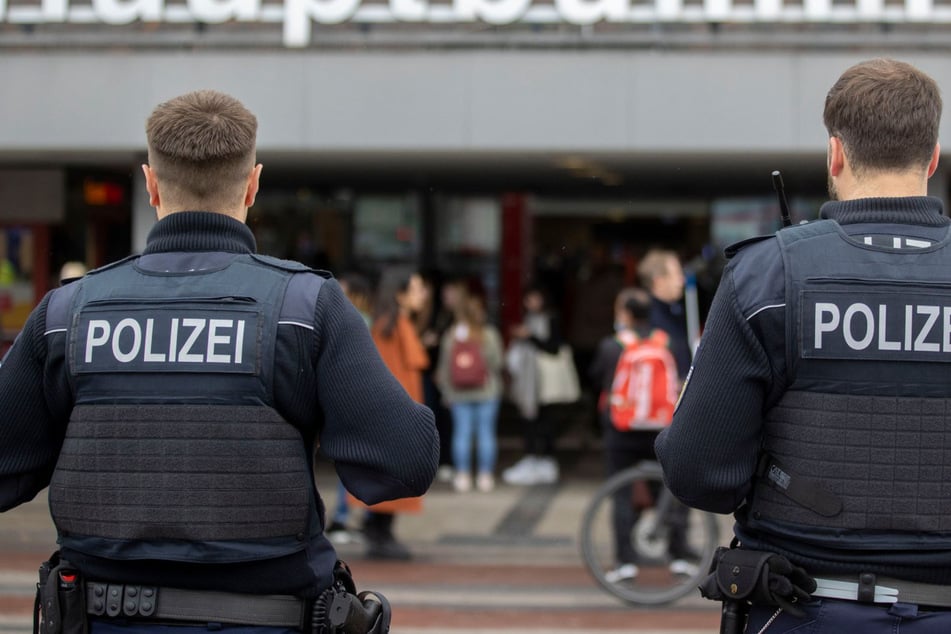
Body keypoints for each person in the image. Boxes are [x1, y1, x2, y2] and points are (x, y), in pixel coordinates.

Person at [0, 90, 439, 634]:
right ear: (253, 184)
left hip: (97, 618)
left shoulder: (67, 313)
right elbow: (405, 460)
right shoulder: (305, 308)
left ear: (151, 184)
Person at [656, 58, 951, 633]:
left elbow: (699, 471)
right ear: (933, 156)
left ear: (835, 154)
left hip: (806, 609)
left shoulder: (768, 275)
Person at [588, 287, 684, 583]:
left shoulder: (612, 345)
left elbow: (596, 380)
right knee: (667, 488)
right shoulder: (668, 342)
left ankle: (625, 561)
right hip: (661, 429)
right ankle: (678, 554)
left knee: (621, 493)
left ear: (626, 314)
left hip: (622, 430)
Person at [362, 268, 432, 560]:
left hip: (398, 415)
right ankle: (379, 531)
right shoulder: (389, 327)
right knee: (391, 474)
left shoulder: (395, 323)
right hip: (394, 417)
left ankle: (380, 530)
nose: (423, 294)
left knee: (392, 474)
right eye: (416, 289)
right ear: (400, 294)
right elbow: (389, 377)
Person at [434, 289, 504, 493]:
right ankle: (485, 476)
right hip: (487, 391)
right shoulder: (489, 334)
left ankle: (463, 475)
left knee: (462, 434)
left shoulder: (452, 335)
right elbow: (497, 363)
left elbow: (444, 368)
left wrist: (446, 392)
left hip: (459, 393)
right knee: (486, 434)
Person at [324, 271, 375, 546]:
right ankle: (349, 517)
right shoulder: (363, 321)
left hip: (348, 400)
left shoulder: (350, 321)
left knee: (352, 461)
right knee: (359, 461)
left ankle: (345, 517)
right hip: (359, 401)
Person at [502, 284, 568, 486]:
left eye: (535, 298)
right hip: (527, 381)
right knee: (529, 420)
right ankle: (532, 460)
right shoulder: (528, 319)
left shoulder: (551, 319)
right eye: (528, 299)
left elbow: (553, 347)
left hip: (544, 381)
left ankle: (546, 461)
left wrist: (529, 337)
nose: (531, 303)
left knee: (546, 420)